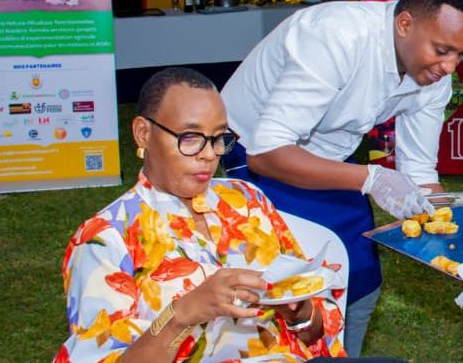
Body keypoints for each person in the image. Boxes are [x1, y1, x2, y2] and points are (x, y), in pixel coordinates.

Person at [220, 0, 463, 356]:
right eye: (442, 51)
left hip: (328, 153)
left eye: (461, 54)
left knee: (361, 276)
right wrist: (371, 179)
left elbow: (419, 172)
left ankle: (345, 354)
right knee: (287, 283)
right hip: (254, 150)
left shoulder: (433, 76)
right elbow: (266, 153)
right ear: (405, 24)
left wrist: (460, 241)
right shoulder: (336, 37)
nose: (450, 67)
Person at [56, 67, 346, 362]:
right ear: (143, 134)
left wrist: (300, 313)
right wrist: (183, 315)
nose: (209, 154)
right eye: (191, 137)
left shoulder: (247, 200)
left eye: (218, 138)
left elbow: (317, 331)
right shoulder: (106, 239)